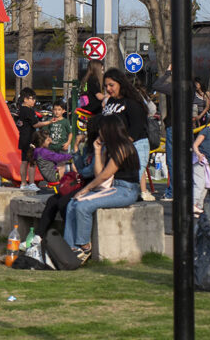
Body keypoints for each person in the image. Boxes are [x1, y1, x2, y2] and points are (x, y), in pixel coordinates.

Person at [63, 114, 141, 264]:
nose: (99, 133)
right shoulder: (109, 148)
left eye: (102, 130)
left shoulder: (123, 147)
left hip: (126, 190)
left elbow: (105, 175)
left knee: (82, 206)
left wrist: (85, 189)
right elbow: (98, 174)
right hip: (115, 188)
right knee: (72, 203)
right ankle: (70, 247)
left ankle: (84, 246)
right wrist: (98, 151)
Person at [101, 68, 155, 202]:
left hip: (134, 146)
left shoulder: (132, 102)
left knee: (129, 181)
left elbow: (136, 128)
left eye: (111, 85)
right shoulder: (111, 102)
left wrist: (122, 146)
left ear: (121, 83)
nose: (108, 89)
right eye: (106, 86)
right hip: (113, 146)